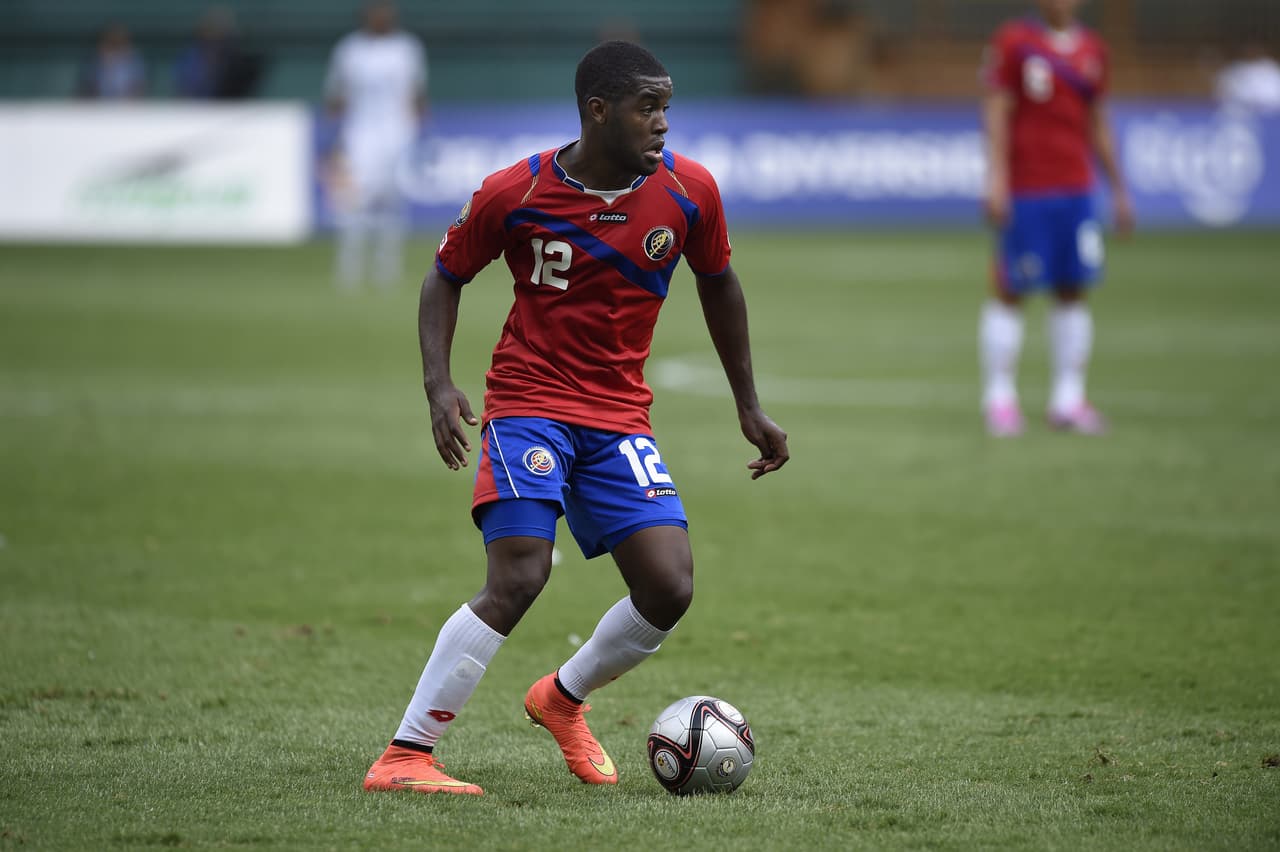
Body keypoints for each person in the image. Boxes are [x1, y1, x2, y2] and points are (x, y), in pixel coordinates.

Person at [362, 40, 790, 796]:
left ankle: (561, 699)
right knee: (519, 574)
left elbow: (720, 285)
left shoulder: (689, 191)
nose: (662, 123)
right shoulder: (515, 190)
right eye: (646, 107)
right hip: (529, 404)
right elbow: (445, 275)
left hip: (619, 415)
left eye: (667, 107)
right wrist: (438, 385)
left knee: (669, 587)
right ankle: (406, 754)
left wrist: (747, 405)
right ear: (598, 111)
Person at [979, 0, 1134, 436]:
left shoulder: (1093, 49)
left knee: (1074, 289)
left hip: (1078, 190)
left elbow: (1098, 120)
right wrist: (996, 178)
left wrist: (1118, 188)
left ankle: (1068, 400)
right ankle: (999, 399)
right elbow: (996, 109)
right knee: (1012, 288)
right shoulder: (1015, 41)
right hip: (1028, 189)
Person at [323, 1, 427, 287]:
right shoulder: (349, 50)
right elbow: (335, 95)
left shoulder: (406, 49)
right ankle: (350, 271)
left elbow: (417, 94)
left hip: (397, 133)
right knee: (353, 202)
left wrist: (417, 130)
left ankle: (387, 273)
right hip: (360, 135)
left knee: (391, 203)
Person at [173, 6, 263, 100]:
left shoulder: (237, 61)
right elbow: (186, 89)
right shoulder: (191, 58)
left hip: (227, 109)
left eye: (221, 30)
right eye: (212, 28)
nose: (216, 35)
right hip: (195, 109)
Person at [78, 23, 146, 99]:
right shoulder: (94, 65)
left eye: (119, 44)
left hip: (128, 108)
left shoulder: (136, 65)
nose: (115, 50)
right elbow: (85, 93)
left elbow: (140, 91)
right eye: (112, 43)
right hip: (99, 107)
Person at [1215, 42, 1280, 115]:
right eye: (1249, 50)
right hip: (1241, 112)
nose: (1251, 52)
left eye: (1254, 50)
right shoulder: (1234, 69)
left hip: (1270, 112)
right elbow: (1222, 95)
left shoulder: (1270, 68)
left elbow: (1274, 95)